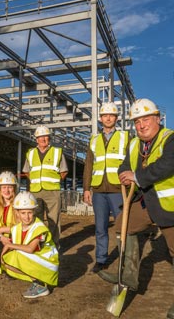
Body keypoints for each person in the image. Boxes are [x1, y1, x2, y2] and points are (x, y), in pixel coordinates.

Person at [97, 98, 174, 318]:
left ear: (157, 119)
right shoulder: (134, 144)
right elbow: (125, 165)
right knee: (124, 225)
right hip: (147, 202)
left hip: (170, 206)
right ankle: (129, 276)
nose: (141, 125)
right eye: (137, 121)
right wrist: (124, 175)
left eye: (146, 119)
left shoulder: (170, 139)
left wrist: (137, 177)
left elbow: (167, 165)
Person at [82, 102, 130, 273]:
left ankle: (125, 259)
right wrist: (86, 189)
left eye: (111, 115)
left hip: (118, 189)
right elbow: (88, 165)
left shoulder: (126, 137)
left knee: (123, 226)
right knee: (100, 227)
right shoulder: (94, 140)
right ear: (101, 119)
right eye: (105, 115)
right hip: (99, 191)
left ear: (116, 118)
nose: (108, 118)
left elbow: (132, 162)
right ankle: (101, 259)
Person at [0, 191, 59, 299]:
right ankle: (37, 281)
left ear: (34, 212)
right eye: (23, 213)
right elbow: (9, 229)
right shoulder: (19, 227)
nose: (26, 217)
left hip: (48, 263)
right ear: (17, 213)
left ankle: (41, 284)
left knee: (14, 256)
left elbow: (30, 249)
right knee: (7, 260)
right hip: (39, 260)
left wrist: (9, 246)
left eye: (29, 213)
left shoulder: (39, 227)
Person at [22, 125, 68, 247]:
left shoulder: (57, 152)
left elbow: (63, 171)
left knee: (54, 220)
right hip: (35, 190)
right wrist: (35, 180)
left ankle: (53, 244)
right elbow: (26, 171)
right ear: (36, 139)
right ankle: (38, 243)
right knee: (35, 219)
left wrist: (53, 181)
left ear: (49, 138)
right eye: (40, 137)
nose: (43, 139)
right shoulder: (30, 153)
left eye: (45, 136)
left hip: (52, 191)